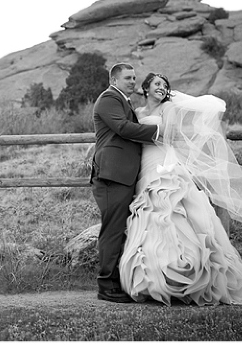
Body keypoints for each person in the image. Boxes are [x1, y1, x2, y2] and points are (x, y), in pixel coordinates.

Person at [118, 72, 242, 306]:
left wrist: (135, 133)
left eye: (165, 85)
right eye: (157, 84)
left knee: (171, 210)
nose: (162, 87)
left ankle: (186, 274)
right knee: (149, 216)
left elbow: (168, 134)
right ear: (146, 88)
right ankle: (153, 278)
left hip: (163, 161)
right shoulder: (137, 112)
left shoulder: (168, 108)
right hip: (143, 164)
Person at [90, 63, 159, 303]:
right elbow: (121, 127)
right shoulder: (109, 98)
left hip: (123, 174)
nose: (133, 81)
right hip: (113, 174)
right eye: (128, 78)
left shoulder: (123, 100)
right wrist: (158, 132)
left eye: (134, 78)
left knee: (121, 229)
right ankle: (106, 286)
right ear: (114, 80)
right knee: (113, 230)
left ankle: (119, 281)